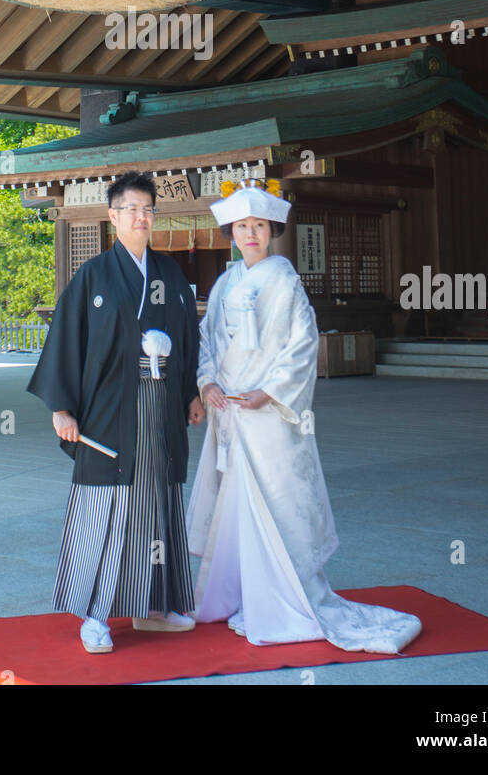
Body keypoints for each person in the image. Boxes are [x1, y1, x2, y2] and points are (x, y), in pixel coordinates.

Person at [186, 178, 423, 653]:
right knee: (234, 502)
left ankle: (282, 598)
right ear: (230, 231)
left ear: (272, 230)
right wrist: (207, 381)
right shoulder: (226, 282)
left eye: (258, 225)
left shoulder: (284, 278)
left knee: (276, 502)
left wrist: (270, 392)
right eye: (241, 226)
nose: (250, 233)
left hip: (269, 416)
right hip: (229, 410)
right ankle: (237, 592)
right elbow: (206, 338)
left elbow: (301, 345)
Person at [28, 171, 204, 654]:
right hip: (107, 413)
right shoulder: (94, 276)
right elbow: (66, 341)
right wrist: (61, 407)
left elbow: (188, 338)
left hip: (161, 409)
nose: (141, 217)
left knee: (159, 505)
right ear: (113, 215)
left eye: (148, 209)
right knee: (105, 510)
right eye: (131, 209)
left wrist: (190, 391)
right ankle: (95, 615)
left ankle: (156, 602)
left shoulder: (170, 274)